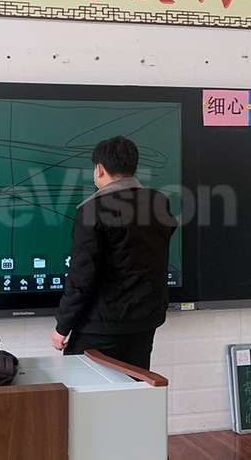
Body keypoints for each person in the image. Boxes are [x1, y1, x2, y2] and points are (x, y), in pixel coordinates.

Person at [51, 136, 177, 370]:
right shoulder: (159, 202)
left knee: (86, 391)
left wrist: (62, 327)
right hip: (144, 321)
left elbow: (81, 277)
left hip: (100, 325)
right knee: (133, 386)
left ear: (99, 169)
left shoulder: (93, 209)